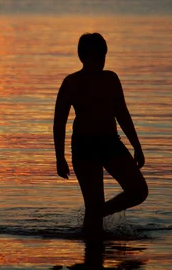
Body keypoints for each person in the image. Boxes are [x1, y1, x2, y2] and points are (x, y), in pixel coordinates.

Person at [53, 33, 148, 239]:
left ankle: (97, 216)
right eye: (97, 56)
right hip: (84, 147)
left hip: (110, 143)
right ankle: (92, 256)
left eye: (102, 56)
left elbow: (122, 113)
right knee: (93, 203)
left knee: (139, 191)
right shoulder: (71, 82)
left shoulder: (111, 79)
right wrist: (59, 157)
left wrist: (137, 146)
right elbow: (59, 122)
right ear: (83, 57)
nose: (101, 60)